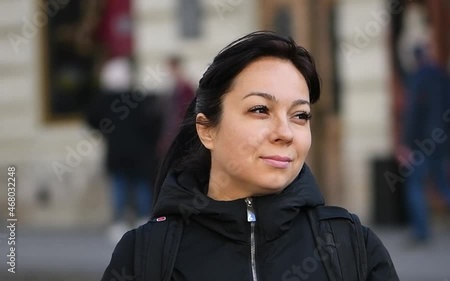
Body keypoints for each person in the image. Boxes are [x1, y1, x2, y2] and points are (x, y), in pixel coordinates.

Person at [101, 31, 399, 281]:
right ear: (207, 129)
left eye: (300, 115)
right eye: (260, 109)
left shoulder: (352, 246)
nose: (285, 132)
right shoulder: (143, 256)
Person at [398, 41, 450, 244]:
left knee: (415, 186)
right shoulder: (444, 77)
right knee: (445, 186)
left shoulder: (418, 78)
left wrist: (405, 143)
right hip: (442, 142)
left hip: (421, 143)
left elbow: (412, 114)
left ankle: (421, 232)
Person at [86, 58, 161, 242]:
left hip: (117, 153)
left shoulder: (105, 100)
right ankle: (143, 220)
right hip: (140, 154)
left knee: (119, 187)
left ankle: (119, 222)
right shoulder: (139, 98)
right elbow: (152, 123)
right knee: (141, 186)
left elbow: (91, 119)